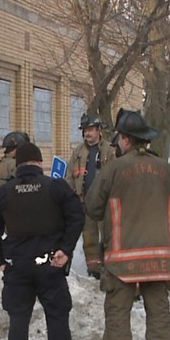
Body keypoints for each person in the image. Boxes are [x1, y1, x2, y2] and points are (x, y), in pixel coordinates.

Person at [84, 110, 170, 340]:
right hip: (161, 258)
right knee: (159, 312)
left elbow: (91, 208)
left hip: (122, 259)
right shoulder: (166, 169)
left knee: (117, 313)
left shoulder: (113, 170)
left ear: (126, 140)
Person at [0, 142, 85, 340]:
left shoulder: (4, 192)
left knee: (18, 318)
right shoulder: (56, 187)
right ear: (39, 163)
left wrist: (0, 261)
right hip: (50, 263)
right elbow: (77, 217)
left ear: (17, 166)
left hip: (17, 265)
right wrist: (65, 250)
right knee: (57, 318)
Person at [65, 113, 114, 278]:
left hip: (105, 202)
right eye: (85, 130)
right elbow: (69, 176)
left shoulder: (110, 150)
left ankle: (110, 268)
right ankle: (94, 270)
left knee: (109, 235)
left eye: (91, 129)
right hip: (84, 201)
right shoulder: (78, 151)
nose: (88, 133)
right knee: (89, 237)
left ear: (99, 130)